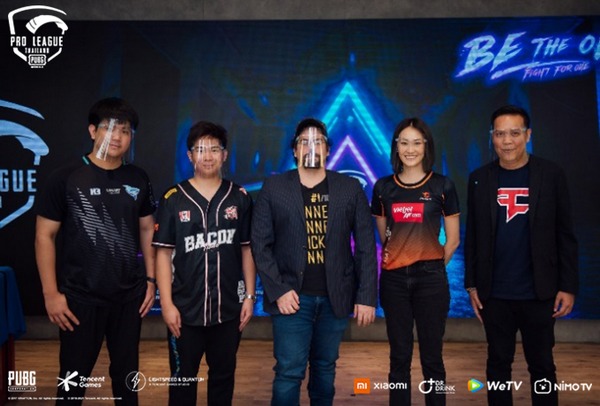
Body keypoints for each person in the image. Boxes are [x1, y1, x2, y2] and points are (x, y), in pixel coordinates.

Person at [35, 97, 156, 405]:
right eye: (109, 128)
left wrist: (151, 280)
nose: (117, 137)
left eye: (125, 131)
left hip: (128, 298)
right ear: (92, 131)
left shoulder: (138, 177)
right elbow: (44, 236)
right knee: (72, 383)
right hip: (79, 299)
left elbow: (146, 229)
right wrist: (51, 294)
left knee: (127, 382)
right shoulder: (65, 177)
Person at [251, 118, 378, 406]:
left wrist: (366, 296)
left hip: (335, 298)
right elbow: (260, 244)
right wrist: (279, 290)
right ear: (295, 150)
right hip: (292, 298)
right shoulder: (274, 187)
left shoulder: (349, 188)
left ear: (328, 149)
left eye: (318, 141)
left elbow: (366, 247)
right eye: (304, 142)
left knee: (325, 370)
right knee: (288, 372)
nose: (311, 147)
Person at [464, 105, 578, 406]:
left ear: (528, 135)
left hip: (539, 292)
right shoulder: (479, 179)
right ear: (492, 137)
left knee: (542, 366)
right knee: (497, 365)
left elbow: (565, 235)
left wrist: (568, 286)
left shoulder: (551, 175)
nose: (507, 141)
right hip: (494, 294)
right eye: (500, 134)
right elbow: (472, 236)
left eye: (515, 133)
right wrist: (471, 285)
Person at [153, 121, 255, 406]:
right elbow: (163, 255)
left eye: (214, 149)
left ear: (224, 154)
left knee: (223, 378)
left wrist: (249, 296)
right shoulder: (173, 199)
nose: (207, 156)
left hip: (228, 310)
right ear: (189, 156)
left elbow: (247, 250)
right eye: (200, 149)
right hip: (185, 311)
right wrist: (167, 304)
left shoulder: (240, 198)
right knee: (182, 380)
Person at [371, 117, 460, 406]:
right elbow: (384, 236)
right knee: (399, 357)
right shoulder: (383, 187)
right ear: (396, 147)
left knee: (432, 358)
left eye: (417, 143)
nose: (410, 149)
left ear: (426, 146)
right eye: (404, 143)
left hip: (431, 281)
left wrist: (430, 265)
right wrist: (404, 255)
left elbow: (453, 240)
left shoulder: (442, 185)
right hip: (394, 281)